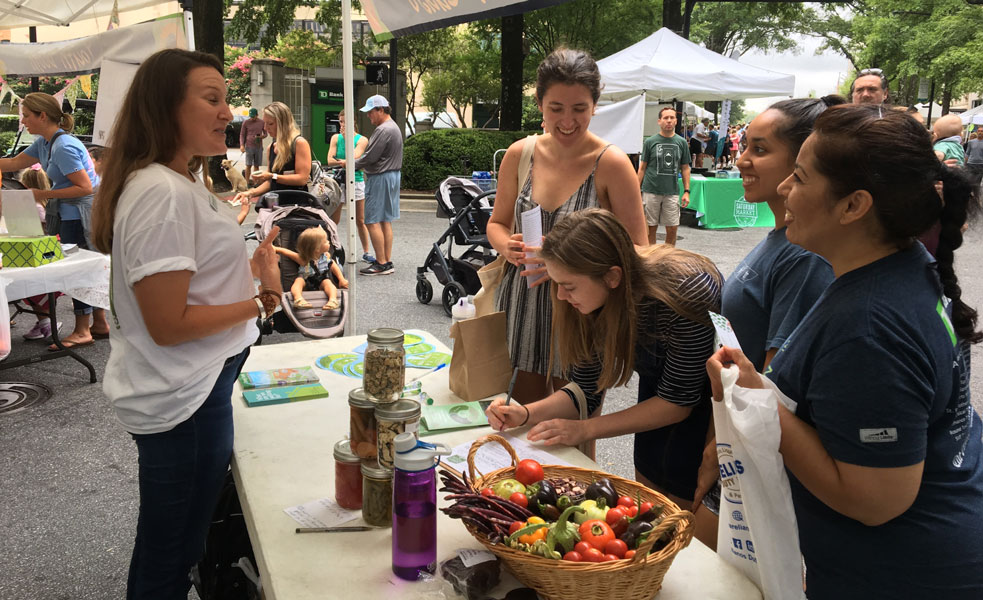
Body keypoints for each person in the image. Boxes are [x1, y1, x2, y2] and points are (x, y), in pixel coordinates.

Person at [707, 105, 983, 597]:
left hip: (904, 574)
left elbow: (876, 500)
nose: (786, 189)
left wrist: (758, 398)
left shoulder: (870, 327)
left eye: (800, 176)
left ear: (854, 206)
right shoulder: (898, 265)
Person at [89, 48, 282, 599]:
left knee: (172, 546)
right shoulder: (161, 192)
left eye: (226, 98)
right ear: (166, 107)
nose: (228, 112)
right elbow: (168, 323)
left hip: (194, 395)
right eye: (212, 98)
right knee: (169, 557)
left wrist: (250, 271)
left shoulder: (173, 182)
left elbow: (187, 285)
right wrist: (263, 299)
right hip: (185, 404)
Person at [486, 208, 721, 507]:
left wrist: (585, 429)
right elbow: (585, 388)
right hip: (661, 388)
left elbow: (678, 402)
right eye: (556, 283)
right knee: (650, 479)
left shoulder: (686, 294)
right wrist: (527, 413)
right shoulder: (593, 298)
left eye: (568, 286)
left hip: (709, 404)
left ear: (612, 277)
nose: (560, 297)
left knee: (682, 500)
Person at [690, 96, 842, 550]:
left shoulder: (803, 256)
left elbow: (775, 381)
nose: (741, 159)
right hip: (735, 440)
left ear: (802, 162)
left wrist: (721, 452)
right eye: (746, 147)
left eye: (760, 149)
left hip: (754, 453)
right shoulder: (782, 237)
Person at [487, 47, 647, 404]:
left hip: (582, 315)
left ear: (595, 106)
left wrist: (570, 264)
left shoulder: (612, 164)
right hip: (523, 305)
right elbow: (496, 223)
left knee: (573, 424)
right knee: (519, 415)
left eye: (579, 109)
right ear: (540, 103)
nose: (567, 121)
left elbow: (639, 250)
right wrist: (505, 246)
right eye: (555, 108)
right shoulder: (520, 154)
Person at [0, 92, 109, 349]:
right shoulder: (46, 143)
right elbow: (14, 162)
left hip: (78, 217)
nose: (23, 121)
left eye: (26, 116)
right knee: (88, 269)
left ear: (42, 116)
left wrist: (42, 194)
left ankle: (83, 330)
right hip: (68, 214)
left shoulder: (63, 146)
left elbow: (84, 187)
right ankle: (100, 323)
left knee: (78, 271)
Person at [232, 102, 312, 226]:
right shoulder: (271, 147)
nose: (266, 128)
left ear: (283, 123)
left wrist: (272, 176)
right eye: (265, 123)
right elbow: (270, 183)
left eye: (270, 123)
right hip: (274, 207)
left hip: (295, 207)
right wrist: (250, 193)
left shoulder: (299, 143)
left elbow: (302, 179)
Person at [355, 94, 403, 276]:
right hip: (393, 175)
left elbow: (370, 157)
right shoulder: (394, 127)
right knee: (385, 219)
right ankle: (386, 260)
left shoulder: (383, 130)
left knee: (372, 219)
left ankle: (381, 263)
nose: (368, 116)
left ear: (380, 110)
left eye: (370, 112)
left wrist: (350, 164)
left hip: (381, 176)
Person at [15, 166, 63, 341]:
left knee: (32, 288)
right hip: (45, 252)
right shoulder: (43, 204)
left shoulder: (34, 207)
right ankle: (44, 323)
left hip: (37, 253)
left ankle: (46, 323)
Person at [637, 106, 691, 246]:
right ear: (659, 121)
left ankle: (668, 258)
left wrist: (687, 191)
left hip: (671, 192)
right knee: (650, 228)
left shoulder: (682, 142)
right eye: (665, 118)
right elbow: (642, 167)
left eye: (671, 118)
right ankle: (651, 258)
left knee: (672, 228)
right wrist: (636, 190)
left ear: (676, 121)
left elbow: (685, 168)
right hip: (651, 190)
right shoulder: (650, 142)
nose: (669, 121)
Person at [326, 109, 373, 263]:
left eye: (345, 121)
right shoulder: (335, 137)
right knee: (334, 218)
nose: (342, 125)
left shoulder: (362, 139)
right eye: (340, 121)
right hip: (338, 179)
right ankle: (333, 248)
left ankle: (366, 251)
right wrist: (345, 162)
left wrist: (345, 159)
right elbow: (330, 160)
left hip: (356, 179)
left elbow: (355, 157)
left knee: (360, 219)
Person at [273, 226, 348, 310]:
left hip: (321, 280)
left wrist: (341, 279)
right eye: (325, 241)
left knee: (328, 283)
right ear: (317, 249)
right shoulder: (304, 259)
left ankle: (333, 300)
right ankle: (298, 299)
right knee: (298, 281)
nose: (328, 242)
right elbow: (287, 252)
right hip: (306, 280)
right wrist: (275, 248)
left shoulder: (326, 256)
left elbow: (333, 266)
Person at [239, 107, 267, 182]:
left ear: (257, 115)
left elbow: (266, 134)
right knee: (248, 165)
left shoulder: (262, 122)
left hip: (258, 146)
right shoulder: (246, 122)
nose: (252, 118)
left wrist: (260, 137)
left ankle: (256, 182)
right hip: (249, 146)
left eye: (253, 116)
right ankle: (247, 182)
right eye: (251, 116)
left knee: (256, 165)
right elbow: (242, 134)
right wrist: (242, 145)